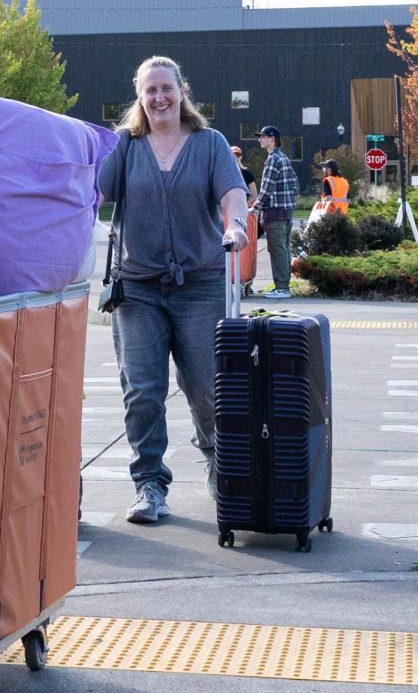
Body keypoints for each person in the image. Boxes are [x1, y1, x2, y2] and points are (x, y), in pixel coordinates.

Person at [98, 56, 248, 524]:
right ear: (139, 98)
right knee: (141, 390)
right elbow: (92, 194)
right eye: (150, 91)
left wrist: (237, 226)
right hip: (137, 287)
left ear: (182, 91)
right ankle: (149, 484)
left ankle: (218, 465)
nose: (160, 98)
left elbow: (232, 192)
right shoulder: (124, 146)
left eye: (167, 88)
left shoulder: (209, 144)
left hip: (200, 284)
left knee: (207, 388)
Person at [254, 124, 298, 300]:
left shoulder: (272, 160)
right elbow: (295, 184)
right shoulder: (284, 158)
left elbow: (266, 189)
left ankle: (282, 288)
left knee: (277, 250)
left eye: (263, 136)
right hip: (286, 212)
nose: (260, 139)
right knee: (284, 249)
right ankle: (283, 285)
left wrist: (255, 207)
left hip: (274, 213)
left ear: (272, 139)